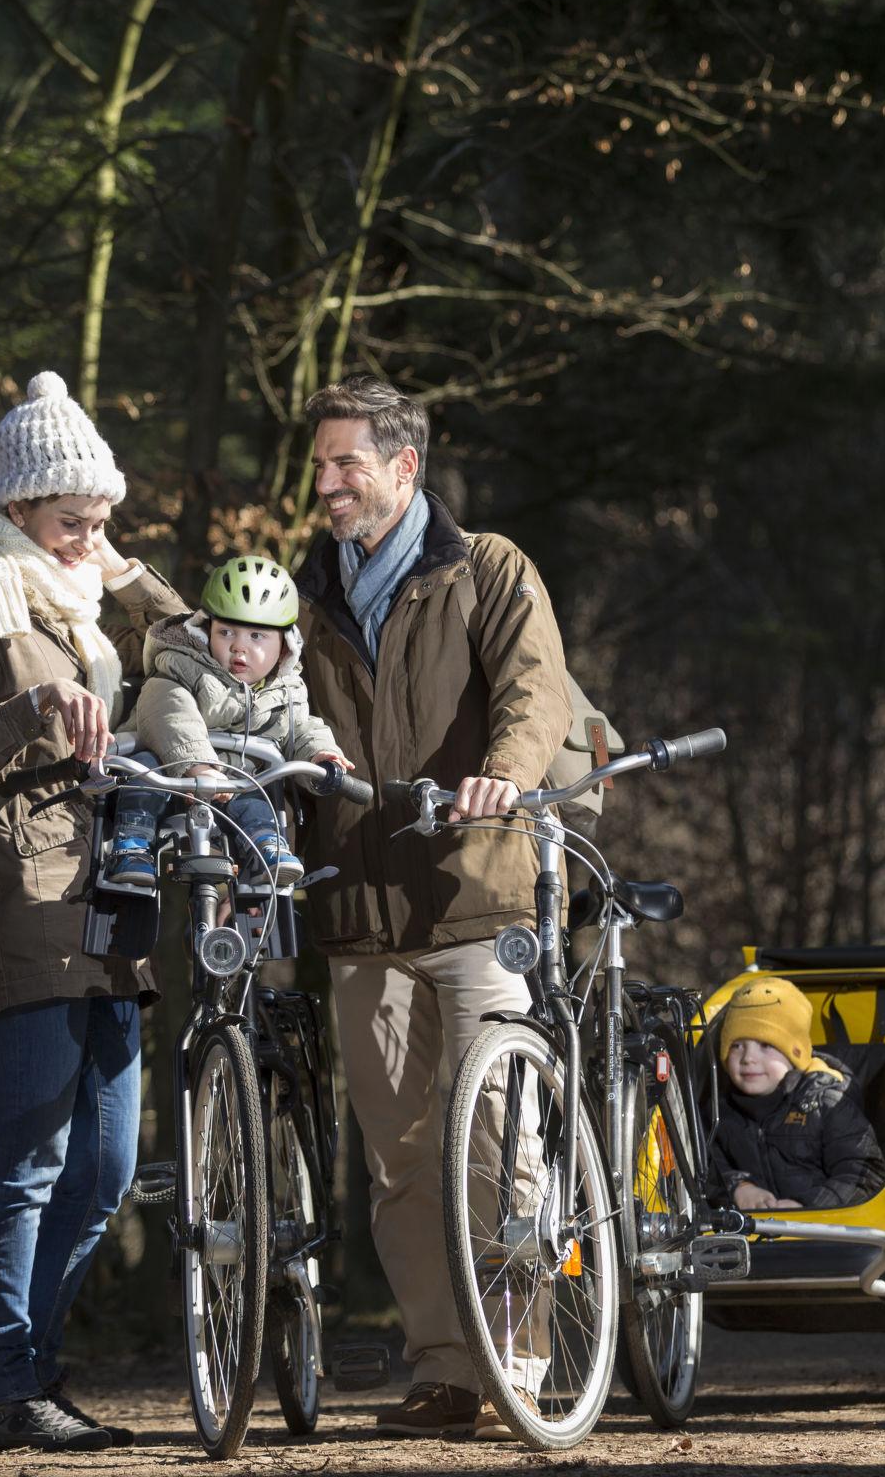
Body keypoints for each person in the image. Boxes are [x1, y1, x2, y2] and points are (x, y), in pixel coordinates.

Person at [0, 371, 186, 1453]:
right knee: (29, 1154)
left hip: (111, 900)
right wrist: (33, 710)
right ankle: (9, 1385)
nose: (91, 535)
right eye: (74, 519)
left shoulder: (83, 599)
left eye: (103, 517)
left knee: (107, 1172)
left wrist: (127, 571)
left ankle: (33, 1375)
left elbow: (201, 645)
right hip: (25, 902)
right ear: (17, 507)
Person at [292, 373, 573, 1441]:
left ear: (401, 467)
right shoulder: (304, 590)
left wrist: (503, 769)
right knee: (399, 1163)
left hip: (472, 896)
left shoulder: (486, 567)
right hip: (358, 916)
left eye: (343, 464)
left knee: (500, 1142)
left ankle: (518, 1359)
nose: (325, 484)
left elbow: (533, 688)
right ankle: (445, 1367)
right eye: (320, 465)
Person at [103, 554, 352, 902]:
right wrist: (197, 764)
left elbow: (302, 725)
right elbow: (168, 711)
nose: (239, 646)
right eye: (226, 632)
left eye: (257, 636)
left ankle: (266, 846)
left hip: (232, 788)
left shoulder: (286, 689)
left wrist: (321, 754)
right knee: (144, 768)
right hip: (174, 779)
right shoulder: (182, 666)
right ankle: (132, 843)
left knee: (258, 789)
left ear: (285, 646)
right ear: (206, 630)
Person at [708, 976, 885, 1213]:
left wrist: (806, 1206)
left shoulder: (825, 1102)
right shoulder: (720, 1110)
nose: (748, 1058)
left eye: (766, 1045)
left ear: (794, 1053)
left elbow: (866, 1173)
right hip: (754, 1238)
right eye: (736, 1046)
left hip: (822, 1234)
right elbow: (706, 1165)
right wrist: (738, 1187)